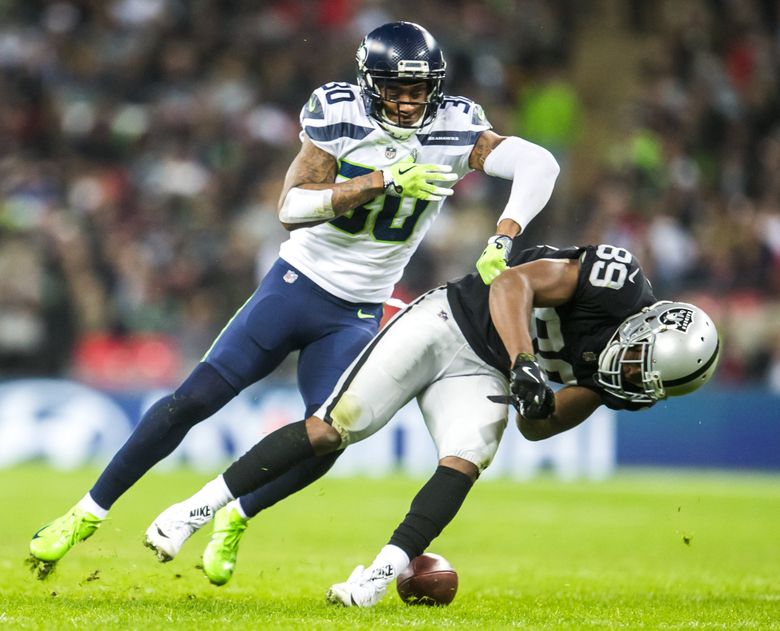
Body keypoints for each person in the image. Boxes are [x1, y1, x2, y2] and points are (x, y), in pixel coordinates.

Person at [28, 21, 560, 579]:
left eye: (419, 89)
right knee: (194, 400)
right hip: (296, 285)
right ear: (368, 82)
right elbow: (292, 206)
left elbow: (538, 164)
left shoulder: (455, 124)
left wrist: (504, 232)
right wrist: (380, 180)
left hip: (359, 309)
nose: (408, 102)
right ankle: (85, 513)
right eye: (396, 89)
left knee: (327, 436)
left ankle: (237, 513)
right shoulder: (338, 112)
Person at [148, 242, 721, 595]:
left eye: (643, 379)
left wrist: (540, 401)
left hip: (488, 375)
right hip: (451, 320)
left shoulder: (628, 384)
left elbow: (538, 424)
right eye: (638, 360)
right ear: (648, 324)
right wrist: (526, 362)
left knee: (468, 455)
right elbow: (511, 283)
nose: (628, 373)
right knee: (332, 427)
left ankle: (378, 575)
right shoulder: (612, 281)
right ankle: (191, 511)